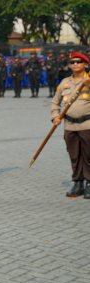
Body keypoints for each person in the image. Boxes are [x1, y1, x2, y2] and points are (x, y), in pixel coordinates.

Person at [51, 51, 90, 198]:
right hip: (70, 126)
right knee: (74, 155)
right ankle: (78, 182)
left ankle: (89, 182)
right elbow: (55, 102)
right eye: (72, 62)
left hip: (87, 124)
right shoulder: (65, 82)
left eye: (78, 62)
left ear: (85, 64)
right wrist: (55, 116)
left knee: (88, 155)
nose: (75, 64)